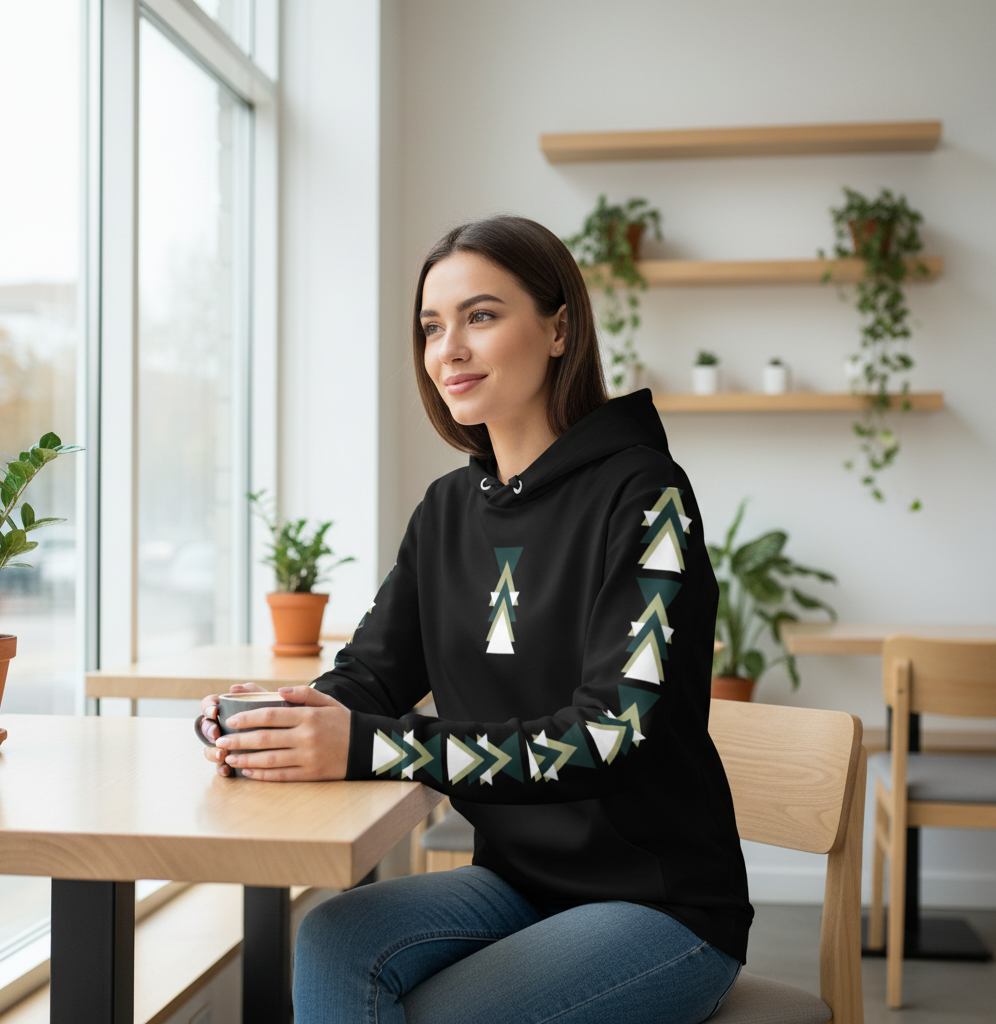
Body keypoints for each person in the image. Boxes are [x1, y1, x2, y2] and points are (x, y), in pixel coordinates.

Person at [198, 216, 753, 1023]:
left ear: (559, 327)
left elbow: (610, 738)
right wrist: (272, 722)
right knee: (333, 937)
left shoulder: (648, 498)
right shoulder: (448, 508)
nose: (448, 349)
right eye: (432, 327)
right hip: (518, 885)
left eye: (480, 316)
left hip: (663, 909)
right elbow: (373, 674)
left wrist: (377, 745)